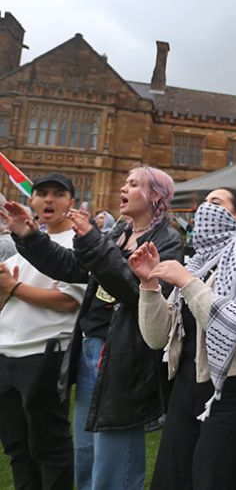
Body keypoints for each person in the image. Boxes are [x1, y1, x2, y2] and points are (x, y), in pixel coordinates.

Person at [7, 166, 183, 490]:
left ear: (155, 196)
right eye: (125, 181)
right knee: (86, 454)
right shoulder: (119, 233)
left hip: (124, 356)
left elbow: (134, 290)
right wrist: (28, 235)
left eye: (133, 184)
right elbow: (72, 266)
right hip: (91, 347)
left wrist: (92, 240)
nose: (123, 188)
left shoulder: (167, 241)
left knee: (113, 462)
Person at [131, 188, 236, 490]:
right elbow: (157, 338)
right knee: (173, 479)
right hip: (187, 389)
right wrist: (149, 286)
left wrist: (187, 283)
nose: (203, 208)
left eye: (215, 203)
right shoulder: (199, 263)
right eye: (203, 202)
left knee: (218, 479)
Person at [0, 174, 86, 490]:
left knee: (49, 446)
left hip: (44, 354)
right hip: (5, 352)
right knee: (17, 448)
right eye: (42, 194)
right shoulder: (22, 247)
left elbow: (67, 302)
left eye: (58, 194)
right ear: (32, 201)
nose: (49, 200)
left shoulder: (78, 244)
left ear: (70, 203)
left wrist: (13, 287)